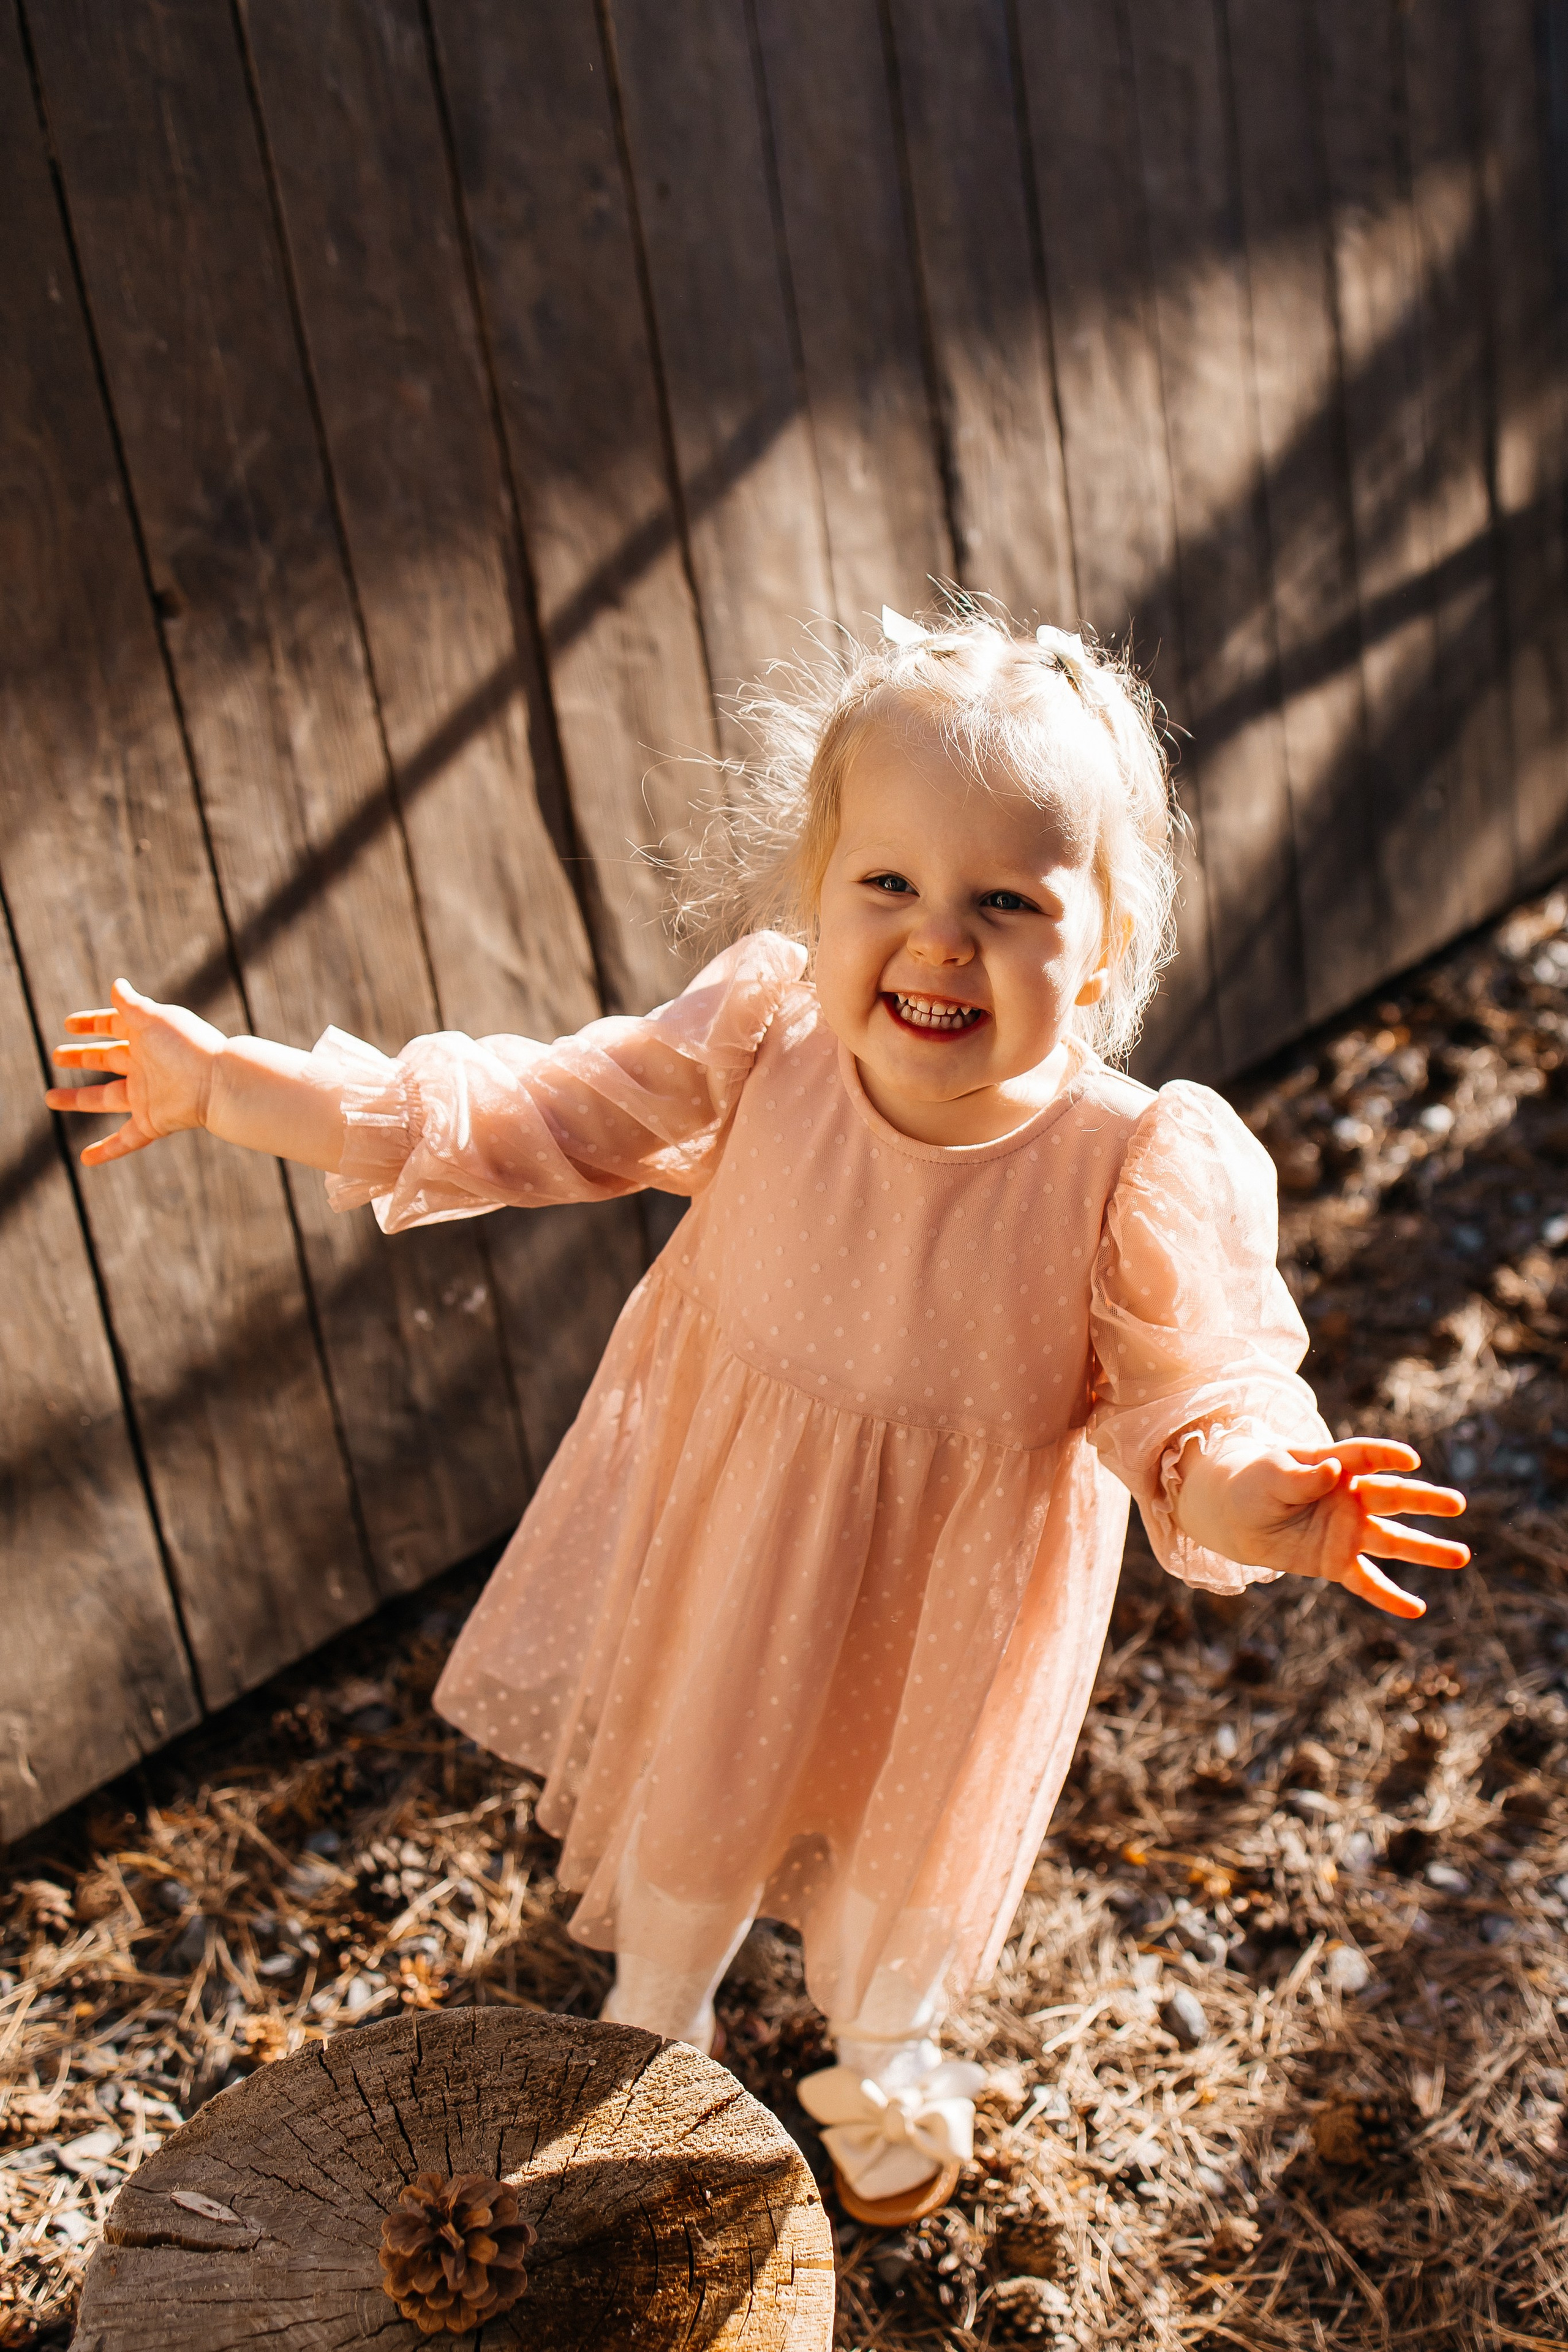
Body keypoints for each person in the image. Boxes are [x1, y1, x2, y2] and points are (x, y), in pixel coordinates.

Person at [48, 607, 1468, 2226]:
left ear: (1107, 938)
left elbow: (1192, 1397)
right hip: (739, 1553)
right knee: (694, 1818)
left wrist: (1261, 1495)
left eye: (1008, 902)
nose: (941, 942)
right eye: (892, 886)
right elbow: (524, 1112)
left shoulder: (1130, 1163)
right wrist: (237, 1087)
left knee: (896, 1882)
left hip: (949, 1612)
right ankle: (657, 2029)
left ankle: (885, 2062)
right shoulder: (761, 1042)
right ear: (821, 887)